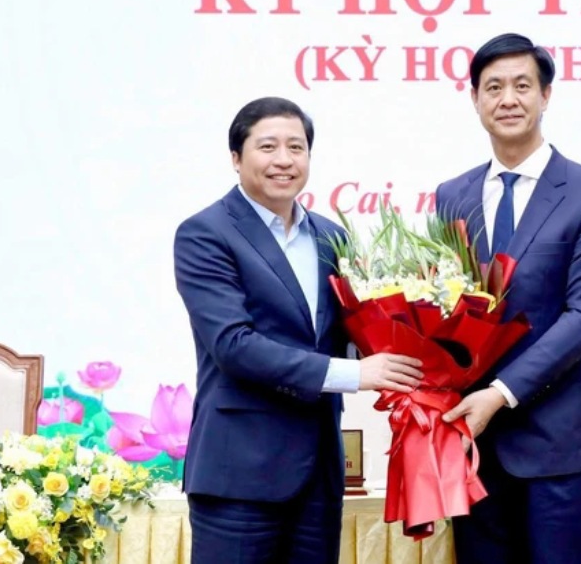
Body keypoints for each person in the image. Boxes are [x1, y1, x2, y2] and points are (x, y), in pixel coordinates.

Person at [173, 96, 423, 564]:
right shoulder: (205, 234)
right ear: (236, 158)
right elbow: (233, 345)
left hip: (318, 474)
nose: (284, 160)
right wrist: (355, 374)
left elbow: (347, 333)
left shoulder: (332, 236)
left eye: (296, 147)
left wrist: (418, 344)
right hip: (239, 473)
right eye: (268, 146)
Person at [437, 33, 581, 564]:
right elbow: (445, 310)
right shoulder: (452, 196)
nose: (508, 99)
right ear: (475, 99)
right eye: (493, 87)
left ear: (546, 95)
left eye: (522, 86)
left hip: (558, 446)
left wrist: (500, 394)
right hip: (473, 444)